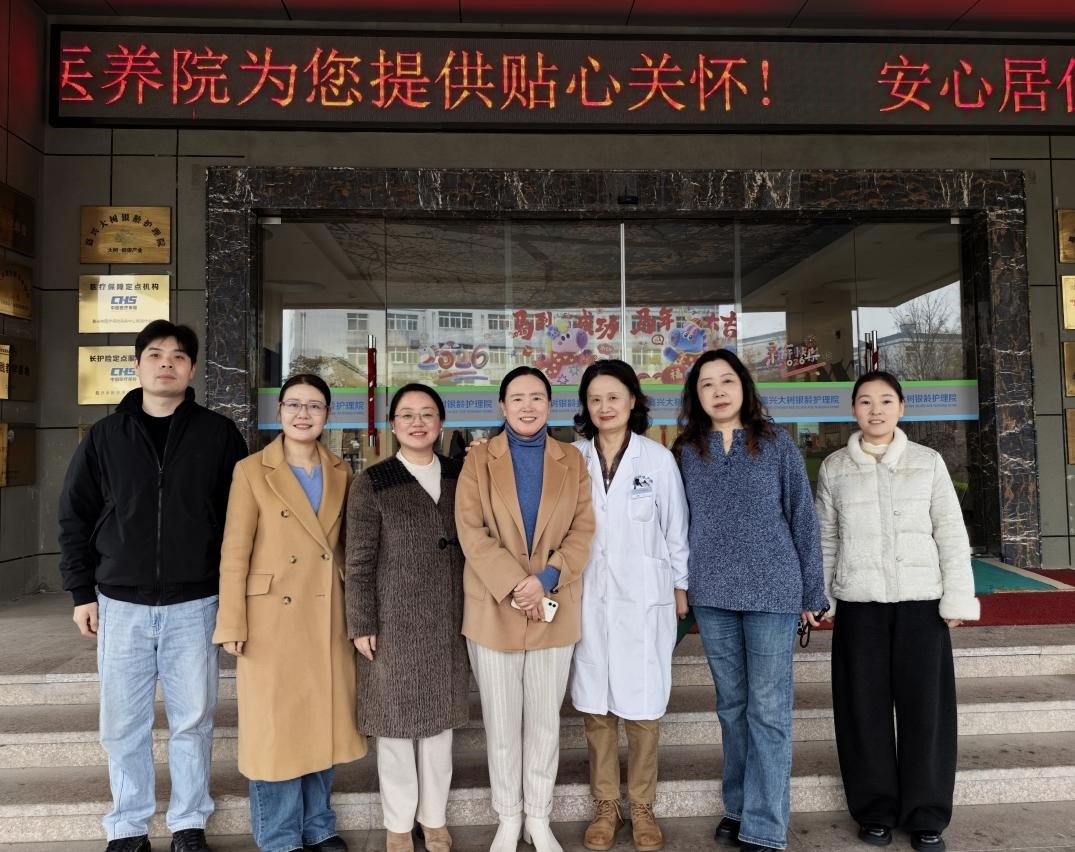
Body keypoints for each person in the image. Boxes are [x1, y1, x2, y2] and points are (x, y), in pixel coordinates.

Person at [58, 320, 248, 852]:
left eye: (179, 356)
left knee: (193, 721)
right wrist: (81, 593)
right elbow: (74, 516)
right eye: (157, 354)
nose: (168, 363)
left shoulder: (218, 435)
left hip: (196, 603)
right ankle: (128, 826)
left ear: (192, 369)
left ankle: (189, 823)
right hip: (121, 603)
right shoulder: (105, 437)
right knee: (123, 724)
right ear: (138, 364)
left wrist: (233, 601)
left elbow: (239, 523)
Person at [814, 371, 979, 852]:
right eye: (865, 401)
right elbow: (826, 540)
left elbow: (951, 533)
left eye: (886, 401)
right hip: (859, 604)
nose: (876, 410)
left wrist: (956, 597)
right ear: (853, 410)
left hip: (920, 604)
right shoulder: (835, 468)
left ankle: (927, 814)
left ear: (902, 408)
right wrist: (822, 599)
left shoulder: (927, 462)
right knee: (862, 711)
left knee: (926, 713)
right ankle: (875, 811)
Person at [672, 348, 827, 852]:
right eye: (706, 384)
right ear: (696, 396)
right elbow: (674, 523)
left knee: (769, 709)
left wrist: (812, 590)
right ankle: (737, 806)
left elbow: (802, 515)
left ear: (743, 386)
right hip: (712, 593)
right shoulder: (686, 450)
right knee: (732, 706)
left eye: (727, 381)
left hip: (772, 591)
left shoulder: (776, 443)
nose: (718, 391)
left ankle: (765, 824)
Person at [213, 373, 365, 852]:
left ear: (327, 415)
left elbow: (346, 547)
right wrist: (232, 621)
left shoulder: (341, 471)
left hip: (326, 612)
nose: (304, 414)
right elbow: (235, 550)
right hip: (270, 617)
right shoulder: (251, 470)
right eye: (294, 405)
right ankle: (279, 836)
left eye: (314, 406)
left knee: (322, 720)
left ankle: (318, 825)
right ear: (278, 412)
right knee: (275, 731)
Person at [455, 366, 595, 852]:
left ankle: (538, 816)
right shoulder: (477, 459)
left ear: (550, 405)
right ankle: (508, 817)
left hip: (553, 604)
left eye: (537, 397)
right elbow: (470, 530)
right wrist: (519, 584)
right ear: (502, 406)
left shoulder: (571, 460)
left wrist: (546, 579)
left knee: (543, 723)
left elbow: (583, 529)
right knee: (500, 724)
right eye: (517, 398)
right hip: (494, 609)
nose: (527, 406)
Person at [569, 360, 689, 852]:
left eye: (613, 397)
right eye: (595, 399)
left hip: (644, 598)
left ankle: (641, 805)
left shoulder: (656, 459)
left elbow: (676, 528)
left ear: (633, 400)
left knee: (642, 706)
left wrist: (680, 588)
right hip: (588, 595)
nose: (605, 407)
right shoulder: (571, 458)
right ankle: (606, 805)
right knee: (596, 707)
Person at [345, 383, 469, 852]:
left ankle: (433, 819)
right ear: (393, 425)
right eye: (408, 415)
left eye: (428, 414)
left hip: (451, 618)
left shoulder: (460, 474)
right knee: (395, 728)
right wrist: (361, 623)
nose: (418, 423)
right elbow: (358, 560)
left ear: (441, 422)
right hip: (393, 621)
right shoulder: (373, 482)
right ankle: (398, 823)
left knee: (440, 728)